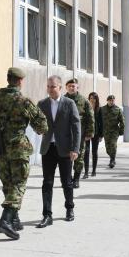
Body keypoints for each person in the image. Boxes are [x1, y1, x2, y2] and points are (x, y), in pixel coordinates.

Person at [0, 67, 48, 240]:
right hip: (18, 149)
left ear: (8, 79)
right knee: (18, 186)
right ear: (19, 81)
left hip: (0, 150)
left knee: (8, 185)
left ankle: (15, 220)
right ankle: (5, 220)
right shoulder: (24, 102)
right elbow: (42, 126)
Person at [36, 75, 81, 228]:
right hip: (48, 148)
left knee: (66, 182)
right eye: (48, 86)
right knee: (47, 182)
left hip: (65, 149)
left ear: (60, 87)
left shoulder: (69, 103)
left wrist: (75, 149)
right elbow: (36, 123)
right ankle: (47, 215)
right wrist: (38, 129)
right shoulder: (42, 104)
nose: (50, 89)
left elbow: (76, 127)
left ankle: (69, 209)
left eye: (53, 86)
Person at [65, 78, 94, 188]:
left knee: (79, 156)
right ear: (66, 87)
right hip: (65, 134)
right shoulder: (62, 100)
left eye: (74, 86)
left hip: (80, 134)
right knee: (66, 157)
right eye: (70, 86)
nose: (72, 88)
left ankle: (76, 179)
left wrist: (89, 133)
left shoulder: (84, 101)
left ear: (78, 87)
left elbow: (90, 117)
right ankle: (68, 178)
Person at [83, 92, 103, 178]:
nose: (92, 99)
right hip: (87, 132)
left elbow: (102, 123)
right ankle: (86, 172)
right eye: (91, 98)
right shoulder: (85, 107)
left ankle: (94, 171)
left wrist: (101, 135)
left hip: (96, 133)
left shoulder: (99, 109)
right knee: (86, 152)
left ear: (96, 99)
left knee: (94, 152)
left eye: (94, 98)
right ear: (89, 98)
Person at [101, 95, 125, 168]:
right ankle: (111, 157)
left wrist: (121, 131)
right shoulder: (102, 109)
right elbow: (99, 120)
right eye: (110, 100)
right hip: (105, 131)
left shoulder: (118, 109)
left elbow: (122, 121)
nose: (111, 102)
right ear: (107, 101)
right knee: (107, 148)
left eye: (113, 100)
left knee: (113, 145)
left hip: (114, 131)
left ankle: (112, 160)